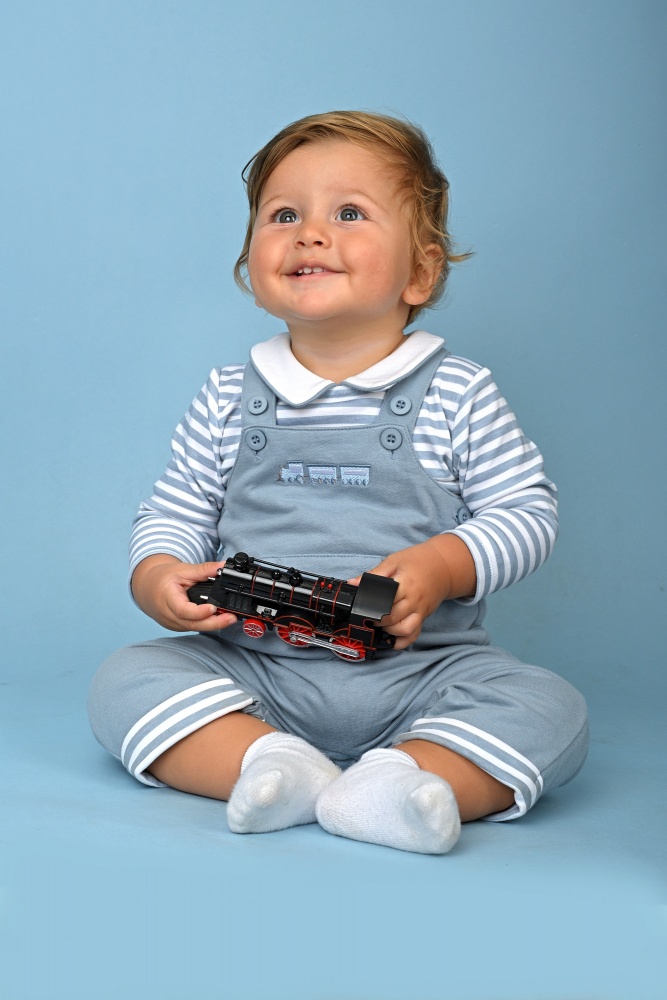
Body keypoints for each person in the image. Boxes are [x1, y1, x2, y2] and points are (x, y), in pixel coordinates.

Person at [88, 111, 588, 854]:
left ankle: (401, 781)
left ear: (420, 272)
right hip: (255, 671)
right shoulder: (228, 396)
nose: (310, 234)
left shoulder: (456, 392)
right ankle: (269, 764)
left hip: (422, 674)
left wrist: (441, 565)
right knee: (123, 680)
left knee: (551, 707)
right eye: (283, 215)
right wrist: (157, 575)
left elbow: (525, 512)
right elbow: (175, 509)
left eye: (348, 213)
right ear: (251, 267)